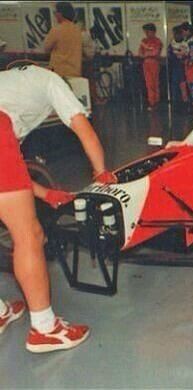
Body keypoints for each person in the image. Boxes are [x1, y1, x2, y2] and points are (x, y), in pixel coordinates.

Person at [0, 63, 116, 353]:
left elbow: (9, 174)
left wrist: (45, 193)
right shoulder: (51, 79)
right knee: (29, 236)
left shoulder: (9, 85)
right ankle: (45, 328)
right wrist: (102, 171)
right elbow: (82, 128)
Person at [43, 2, 82, 77]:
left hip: (59, 73)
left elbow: (46, 49)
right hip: (74, 72)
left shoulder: (56, 30)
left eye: (55, 12)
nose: (55, 15)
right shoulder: (78, 30)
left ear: (60, 14)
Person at [139, 23, 163, 111]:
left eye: (147, 31)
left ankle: (156, 101)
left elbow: (156, 52)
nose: (146, 33)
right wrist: (147, 54)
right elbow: (140, 54)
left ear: (153, 31)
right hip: (146, 63)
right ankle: (151, 102)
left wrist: (147, 54)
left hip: (154, 63)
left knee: (155, 83)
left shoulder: (158, 41)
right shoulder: (144, 41)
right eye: (145, 32)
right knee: (148, 83)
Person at [168, 25, 189, 108]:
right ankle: (175, 100)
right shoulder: (171, 43)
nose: (176, 35)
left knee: (183, 84)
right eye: (174, 34)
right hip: (174, 66)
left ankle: (185, 100)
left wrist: (179, 55)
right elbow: (170, 54)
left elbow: (185, 54)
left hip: (183, 66)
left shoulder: (185, 44)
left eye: (177, 34)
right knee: (174, 84)